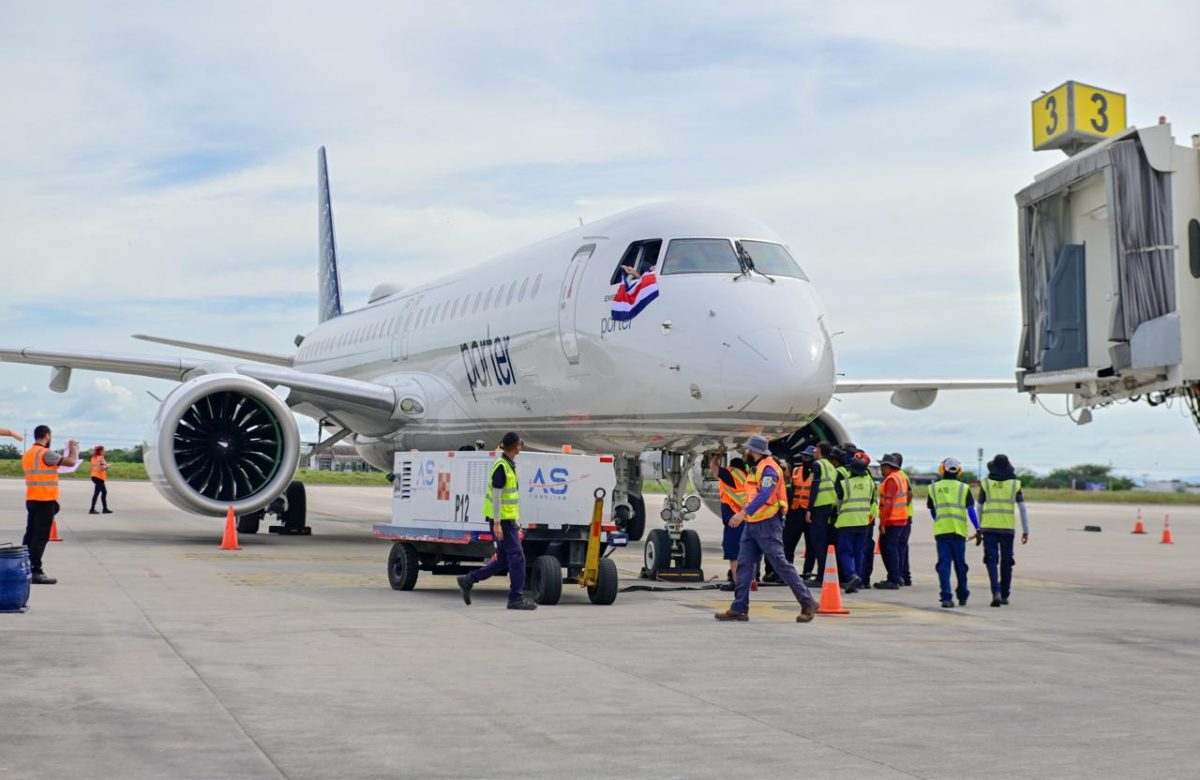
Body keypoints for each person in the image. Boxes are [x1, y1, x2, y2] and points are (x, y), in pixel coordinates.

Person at [714, 435, 816, 623]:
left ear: (755, 451)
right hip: (753, 524)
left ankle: (807, 602)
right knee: (744, 565)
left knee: (780, 565)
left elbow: (765, 495)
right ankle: (739, 608)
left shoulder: (769, 468)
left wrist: (743, 513)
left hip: (767, 523)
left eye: (748, 449)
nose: (746, 452)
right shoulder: (756, 468)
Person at [457, 432, 537, 610]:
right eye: (519, 444)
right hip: (502, 521)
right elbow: (497, 496)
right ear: (516, 447)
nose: (521, 447)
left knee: (503, 560)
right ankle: (515, 598)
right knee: (517, 558)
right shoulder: (502, 466)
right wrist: (498, 524)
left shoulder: (507, 464)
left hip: (507, 520)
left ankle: (468, 579)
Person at [22, 425, 79, 585]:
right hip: (45, 500)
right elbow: (70, 462)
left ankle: (25, 567)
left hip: (32, 498)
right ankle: (36, 571)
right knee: (40, 537)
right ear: (47, 436)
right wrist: (73, 448)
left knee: (30, 534)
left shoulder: (28, 454)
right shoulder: (45, 453)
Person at [977, 454, 1030, 607]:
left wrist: (979, 527)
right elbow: (1022, 508)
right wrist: (1025, 530)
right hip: (1007, 528)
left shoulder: (986, 483)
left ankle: (996, 591)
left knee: (991, 560)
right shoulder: (1014, 485)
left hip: (989, 527)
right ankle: (1005, 593)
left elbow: (979, 507)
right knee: (1007, 561)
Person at [927, 457, 980, 608]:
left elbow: (932, 511)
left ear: (942, 469)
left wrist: (939, 520)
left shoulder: (933, 488)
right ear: (959, 471)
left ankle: (946, 597)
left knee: (944, 565)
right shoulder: (964, 488)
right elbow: (970, 510)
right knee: (960, 564)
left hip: (942, 532)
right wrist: (977, 528)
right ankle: (962, 594)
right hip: (959, 532)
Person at [833, 451, 877, 593]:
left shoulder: (844, 483)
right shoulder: (870, 483)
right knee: (859, 552)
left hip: (846, 522)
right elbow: (872, 503)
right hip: (863, 522)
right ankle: (856, 579)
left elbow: (838, 503)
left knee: (845, 551)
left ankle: (851, 575)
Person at [711, 454, 749, 591]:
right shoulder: (746, 477)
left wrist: (716, 455)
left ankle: (737, 583)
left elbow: (714, 469)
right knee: (746, 553)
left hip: (734, 520)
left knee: (734, 554)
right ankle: (750, 581)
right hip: (745, 519)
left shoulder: (732, 474)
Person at [802, 442, 838, 583]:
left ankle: (821, 576)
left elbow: (815, 488)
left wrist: (809, 509)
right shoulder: (831, 466)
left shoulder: (817, 465)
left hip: (819, 506)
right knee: (824, 542)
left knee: (818, 543)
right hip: (829, 505)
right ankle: (822, 574)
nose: (814, 451)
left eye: (816, 449)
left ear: (820, 450)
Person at [873, 453, 910, 589]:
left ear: (887, 466)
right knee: (892, 548)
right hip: (901, 518)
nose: (881, 469)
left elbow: (888, 503)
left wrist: (882, 523)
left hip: (892, 520)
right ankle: (895, 577)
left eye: (882, 466)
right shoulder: (900, 477)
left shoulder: (891, 479)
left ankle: (893, 579)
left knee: (888, 549)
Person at [894, 452, 914, 586]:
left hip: (903, 516)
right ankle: (905, 576)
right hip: (905, 516)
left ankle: (900, 575)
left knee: (899, 547)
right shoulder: (901, 475)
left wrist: (901, 508)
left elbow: (910, 494)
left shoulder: (900, 476)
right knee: (902, 546)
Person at [89, 445, 112, 514]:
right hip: (99, 477)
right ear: (100, 451)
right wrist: (108, 466)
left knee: (101, 492)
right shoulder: (101, 458)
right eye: (103, 450)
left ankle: (103, 508)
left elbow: (94, 467)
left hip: (94, 476)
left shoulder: (93, 457)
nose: (104, 451)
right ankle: (94, 509)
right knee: (99, 493)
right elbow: (102, 468)